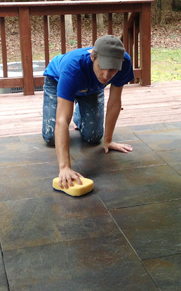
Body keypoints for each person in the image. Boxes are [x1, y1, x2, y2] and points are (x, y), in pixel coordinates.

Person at [42, 35, 134, 190]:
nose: (106, 76)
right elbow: (62, 120)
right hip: (58, 80)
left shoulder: (125, 63)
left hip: (92, 88)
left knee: (93, 137)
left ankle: (79, 112)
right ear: (93, 57)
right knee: (50, 137)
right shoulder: (72, 66)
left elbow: (114, 102)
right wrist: (64, 167)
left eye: (112, 70)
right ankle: (72, 102)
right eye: (102, 67)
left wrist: (108, 140)